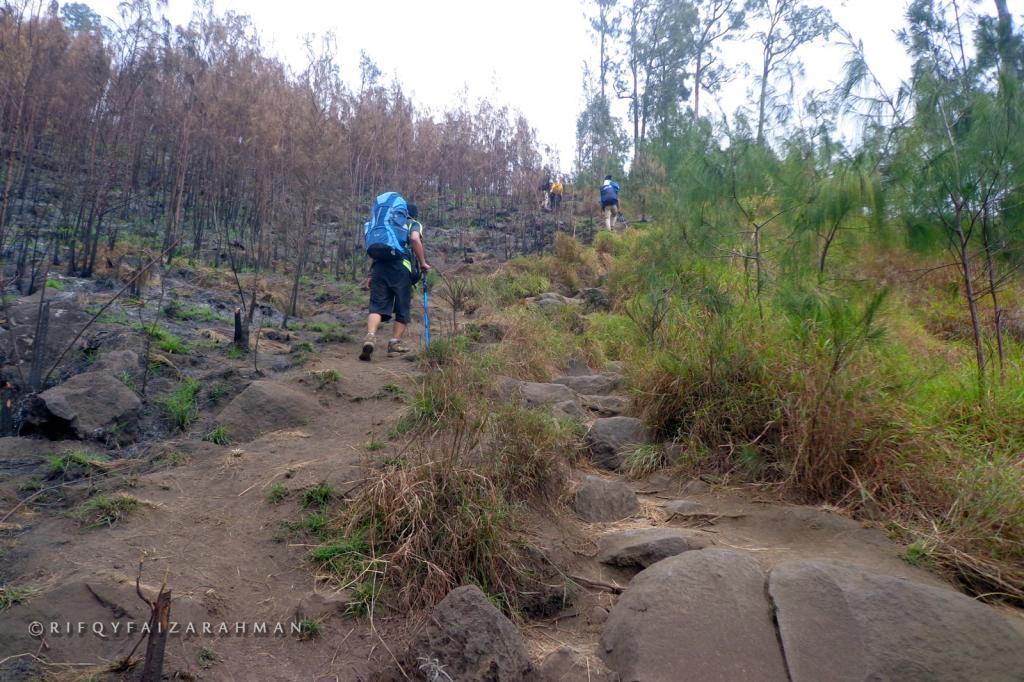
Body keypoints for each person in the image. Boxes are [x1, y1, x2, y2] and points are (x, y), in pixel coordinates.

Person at [360, 200, 431, 362]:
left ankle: (370, 337)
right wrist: (422, 263)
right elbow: (414, 239)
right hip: (400, 270)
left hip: (379, 268)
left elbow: (379, 251)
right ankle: (394, 344)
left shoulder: (384, 225)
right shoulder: (412, 223)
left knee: (377, 307)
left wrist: (371, 275)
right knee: (402, 307)